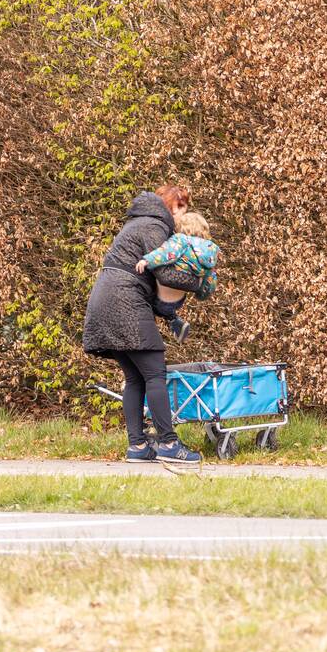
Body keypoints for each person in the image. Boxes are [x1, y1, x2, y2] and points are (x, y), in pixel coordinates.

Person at [82, 185, 203, 464]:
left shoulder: (139, 222)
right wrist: (201, 282)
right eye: (182, 207)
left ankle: (137, 446)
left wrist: (172, 316)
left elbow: (154, 286)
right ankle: (169, 444)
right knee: (155, 374)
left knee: (135, 377)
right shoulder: (154, 225)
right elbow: (167, 274)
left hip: (106, 300)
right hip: (124, 302)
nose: (184, 214)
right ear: (171, 204)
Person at [135, 212, 219, 344]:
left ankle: (150, 338)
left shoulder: (181, 240)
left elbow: (166, 253)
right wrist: (201, 294)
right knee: (163, 311)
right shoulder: (211, 251)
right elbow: (210, 278)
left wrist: (147, 260)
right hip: (179, 299)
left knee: (142, 296)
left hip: (163, 294)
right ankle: (173, 321)